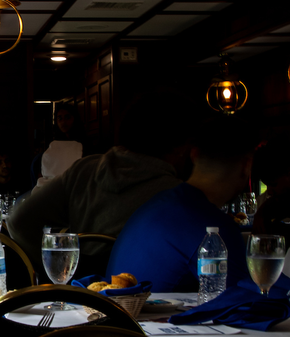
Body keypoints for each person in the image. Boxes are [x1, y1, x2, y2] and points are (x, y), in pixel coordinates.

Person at [6, 93, 190, 271]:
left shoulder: (84, 169)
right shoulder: (177, 191)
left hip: (83, 293)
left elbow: (19, 222)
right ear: (182, 147)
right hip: (143, 292)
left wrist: (59, 270)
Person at [105, 118, 256, 292]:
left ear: (193, 155)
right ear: (246, 166)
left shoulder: (157, 204)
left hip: (115, 316)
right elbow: (243, 303)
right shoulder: (215, 230)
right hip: (146, 319)